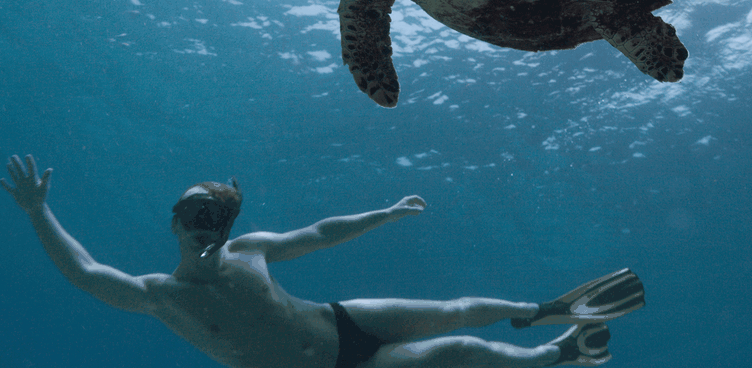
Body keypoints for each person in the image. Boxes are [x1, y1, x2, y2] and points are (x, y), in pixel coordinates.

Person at [3, 154, 644, 368]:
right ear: (173, 222)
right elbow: (86, 274)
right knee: (461, 353)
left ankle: (544, 311)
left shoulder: (248, 250)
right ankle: (553, 356)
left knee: (456, 308)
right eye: (197, 215)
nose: (209, 227)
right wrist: (36, 212)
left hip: (340, 323)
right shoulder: (161, 295)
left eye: (218, 217)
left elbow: (320, 232)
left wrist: (385, 213)